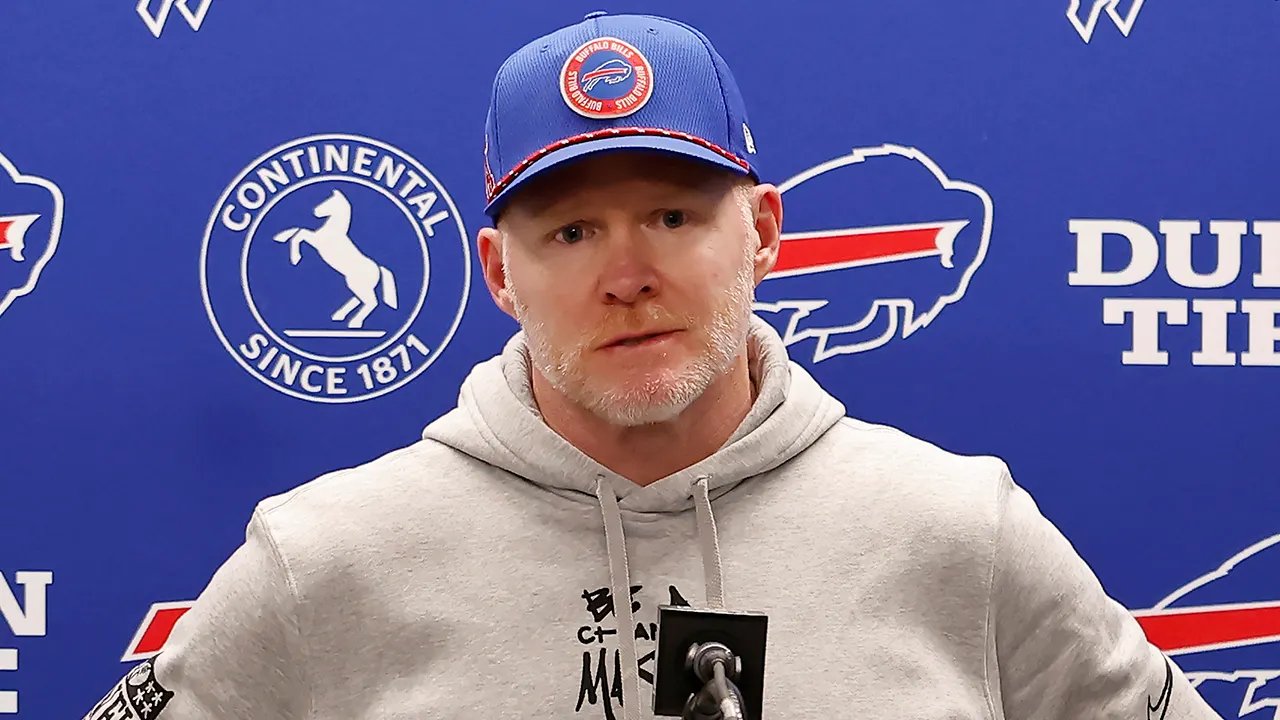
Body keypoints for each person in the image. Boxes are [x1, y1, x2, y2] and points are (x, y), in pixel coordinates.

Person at [82, 11, 1222, 720]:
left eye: (673, 216)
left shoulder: (960, 531)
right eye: (571, 232)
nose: (626, 274)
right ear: (498, 271)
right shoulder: (324, 561)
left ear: (763, 232)